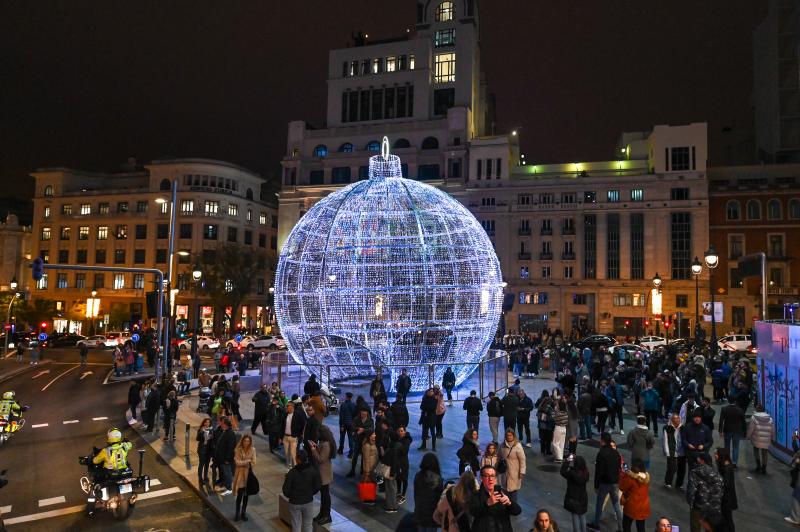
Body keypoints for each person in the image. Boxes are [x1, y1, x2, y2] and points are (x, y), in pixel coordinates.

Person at [468, 464, 521, 532]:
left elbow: (517, 511)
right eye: (487, 476)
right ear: (481, 478)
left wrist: (510, 503)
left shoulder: (503, 493)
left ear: (496, 478)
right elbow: (473, 512)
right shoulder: (476, 495)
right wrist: (487, 504)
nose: (490, 479)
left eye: (493, 475)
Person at [589, 432, 623, 531]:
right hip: (615, 483)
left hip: (604, 483)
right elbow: (618, 468)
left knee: (599, 504)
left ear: (602, 440)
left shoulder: (601, 453)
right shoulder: (616, 453)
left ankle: (596, 524)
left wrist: (596, 485)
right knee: (616, 505)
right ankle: (621, 527)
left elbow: (599, 471)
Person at [282, 449, 321, 532]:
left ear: (297, 459)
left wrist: (292, 496)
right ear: (306, 459)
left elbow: (285, 490)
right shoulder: (312, 470)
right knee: (308, 524)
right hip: (308, 501)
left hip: (295, 502)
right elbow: (317, 486)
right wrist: (310, 493)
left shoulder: (292, 472)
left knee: (296, 525)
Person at [686, 453, 723, 532]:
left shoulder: (695, 472)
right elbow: (720, 490)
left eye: (699, 458)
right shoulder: (717, 473)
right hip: (713, 507)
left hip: (698, 506)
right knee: (710, 528)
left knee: (695, 528)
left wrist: (691, 503)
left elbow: (691, 490)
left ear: (702, 460)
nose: (697, 459)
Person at [308, 424, 336, 525]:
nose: (317, 435)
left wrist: (313, 450)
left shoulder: (326, 444)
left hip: (324, 473)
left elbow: (321, 459)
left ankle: (327, 515)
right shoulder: (323, 443)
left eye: (318, 433)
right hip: (322, 472)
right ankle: (322, 513)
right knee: (323, 495)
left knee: (325, 495)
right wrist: (316, 447)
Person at [414, 453, 444, 532]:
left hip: (420, 513)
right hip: (432, 515)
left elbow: (416, 495)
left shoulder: (418, 476)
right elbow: (440, 499)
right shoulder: (438, 479)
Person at [619, 459, 651, 532]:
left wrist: (625, 474)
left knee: (626, 524)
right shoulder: (646, 478)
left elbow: (622, 487)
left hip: (632, 505)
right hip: (643, 506)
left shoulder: (630, 478)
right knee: (641, 526)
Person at [561, 454, 589, 532]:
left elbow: (562, 471)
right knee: (582, 515)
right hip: (583, 497)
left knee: (575, 516)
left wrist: (567, 461)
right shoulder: (586, 473)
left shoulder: (571, 473)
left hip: (573, 498)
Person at [233, 434, 256, 522]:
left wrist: (245, 462)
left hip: (248, 476)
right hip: (240, 475)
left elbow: (254, 462)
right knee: (239, 495)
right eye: (245, 441)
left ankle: (243, 513)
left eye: (248, 441)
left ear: (250, 442)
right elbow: (237, 462)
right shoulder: (238, 450)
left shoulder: (253, 450)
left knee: (246, 496)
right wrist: (247, 461)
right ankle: (237, 513)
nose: (246, 443)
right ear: (242, 441)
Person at [498, 428, 525, 503]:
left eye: (510, 435)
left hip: (514, 472)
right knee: (504, 489)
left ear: (513, 436)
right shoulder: (502, 446)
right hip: (504, 472)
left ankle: (513, 506)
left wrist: (522, 472)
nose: (508, 437)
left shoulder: (518, 446)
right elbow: (498, 457)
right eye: (507, 435)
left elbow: (522, 460)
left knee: (513, 491)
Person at [746, 404, 775, 474]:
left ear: (757, 410)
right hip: (766, 439)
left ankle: (758, 465)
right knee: (765, 453)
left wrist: (748, 436)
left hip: (756, 438)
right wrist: (772, 438)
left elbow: (751, 428)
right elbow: (772, 430)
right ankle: (764, 468)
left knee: (756, 450)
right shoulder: (770, 419)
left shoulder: (754, 418)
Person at [714, 447, 737, 532]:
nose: (715, 456)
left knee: (727, 518)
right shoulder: (724, 465)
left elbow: (725, 483)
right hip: (726, 498)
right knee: (726, 518)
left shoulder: (726, 467)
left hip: (727, 499)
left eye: (716, 454)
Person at [718, 398, 745, 467]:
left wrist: (720, 430)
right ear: (735, 401)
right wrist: (744, 431)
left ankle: (727, 461)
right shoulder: (740, 409)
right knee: (736, 447)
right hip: (737, 431)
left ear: (728, 401)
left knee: (727, 446)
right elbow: (743, 422)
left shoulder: (724, 409)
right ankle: (734, 462)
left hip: (727, 430)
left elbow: (721, 421)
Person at [347, 408, 374, 477]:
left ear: (367, 413)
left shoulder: (370, 420)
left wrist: (363, 430)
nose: (363, 415)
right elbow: (352, 427)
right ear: (360, 413)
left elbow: (372, 429)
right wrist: (358, 429)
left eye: (364, 414)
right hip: (358, 440)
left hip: (366, 440)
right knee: (355, 455)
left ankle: (362, 470)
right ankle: (352, 470)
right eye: (362, 414)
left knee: (364, 456)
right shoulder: (356, 419)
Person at [214, 417, 236, 496]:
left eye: (222, 423)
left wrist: (227, 459)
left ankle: (229, 489)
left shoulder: (230, 433)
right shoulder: (225, 431)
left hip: (226, 459)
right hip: (221, 457)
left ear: (225, 424)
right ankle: (226, 486)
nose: (221, 424)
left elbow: (230, 448)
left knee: (227, 474)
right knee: (225, 473)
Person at [662, 414, 683, 489]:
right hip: (671, 450)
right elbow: (665, 440)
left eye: (678, 418)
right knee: (672, 467)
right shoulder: (667, 428)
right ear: (672, 420)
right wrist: (667, 452)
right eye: (674, 419)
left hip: (681, 451)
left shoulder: (682, 427)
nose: (676, 420)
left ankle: (679, 484)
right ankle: (668, 482)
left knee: (680, 468)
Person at [283, 401, 306, 468]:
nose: (288, 409)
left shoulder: (298, 415)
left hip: (293, 437)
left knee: (293, 452)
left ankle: (295, 465)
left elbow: (303, 424)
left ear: (293, 407)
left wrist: (300, 434)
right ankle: (288, 464)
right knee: (287, 452)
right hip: (285, 436)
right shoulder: (285, 415)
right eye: (287, 407)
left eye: (289, 407)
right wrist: (280, 436)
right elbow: (282, 425)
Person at [395, 426, 412, 504]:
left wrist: (398, 447)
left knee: (404, 478)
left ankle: (403, 495)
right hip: (398, 461)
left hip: (404, 462)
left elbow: (405, 451)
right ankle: (398, 492)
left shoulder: (406, 440)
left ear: (405, 431)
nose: (400, 433)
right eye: (399, 431)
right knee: (398, 477)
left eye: (402, 431)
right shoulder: (398, 438)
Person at [196, 417, 214, 485]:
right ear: (203, 423)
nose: (207, 423)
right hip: (202, 450)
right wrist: (202, 433)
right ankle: (200, 478)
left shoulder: (211, 430)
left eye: (208, 422)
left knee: (207, 464)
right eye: (206, 422)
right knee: (201, 464)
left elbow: (212, 440)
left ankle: (205, 476)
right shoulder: (201, 430)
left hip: (208, 450)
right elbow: (197, 439)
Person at [537, 391, 555, 456]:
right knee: (548, 440)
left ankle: (542, 450)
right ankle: (548, 451)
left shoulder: (540, 406)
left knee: (542, 439)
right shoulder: (549, 408)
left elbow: (538, 415)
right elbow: (552, 417)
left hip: (541, 426)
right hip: (548, 426)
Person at [338, 392, 356, 456]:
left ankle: (340, 450)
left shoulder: (343, 405)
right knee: (350, 438)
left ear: (346, 397)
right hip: (350, 424)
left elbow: (341, 416)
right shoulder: (353, 405)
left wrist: (342, 425)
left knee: (342, 437)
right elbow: (354, 415)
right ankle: (351, 452)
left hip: (344, 424)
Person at [552, 397, 569, 463]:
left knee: (555, 443)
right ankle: (560, 457)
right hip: (564, 428)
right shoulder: (566, 413)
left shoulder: (558, 414)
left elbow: (553, 418)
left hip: (558, 428)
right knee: (562, 444)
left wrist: (554, 410)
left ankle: (559, 458)